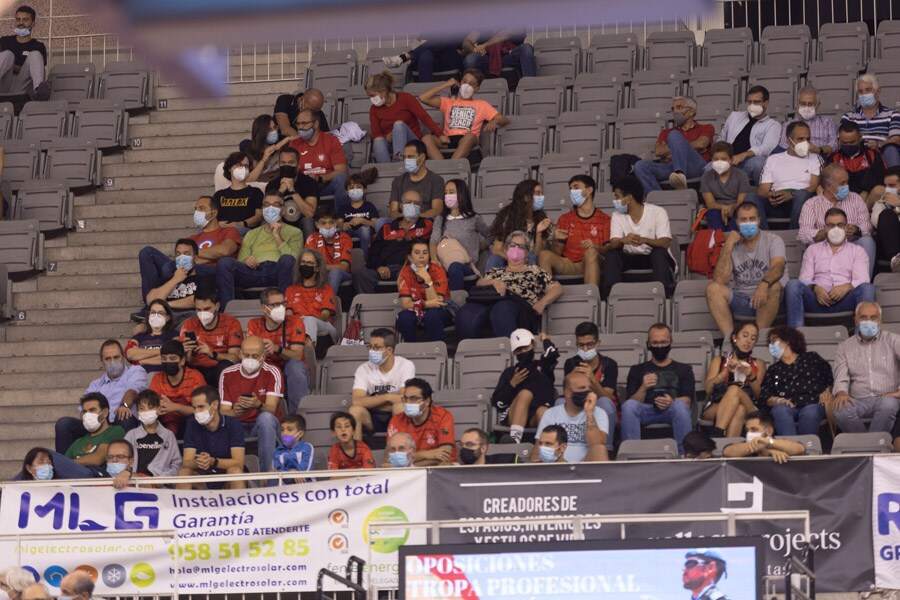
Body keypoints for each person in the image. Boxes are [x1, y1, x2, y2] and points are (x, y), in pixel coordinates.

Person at [137, 195, 240, 308]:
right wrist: (210, 256)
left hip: (214, 272)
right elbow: (183, 260)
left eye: (201, 208)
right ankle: (149, 308)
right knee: (149, 254)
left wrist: (193, 254)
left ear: (214, 213)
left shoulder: (228, 231)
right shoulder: (191, 239)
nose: (197, 212)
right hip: (190, 272)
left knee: (222, 262)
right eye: (196, 209)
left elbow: (225, 250)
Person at [457, 230, 562, 339]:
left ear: (526, 253)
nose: (516, 249)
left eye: (521, 247)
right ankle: (472, 353)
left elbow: (556, 288)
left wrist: (542, 303)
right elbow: (480, 282)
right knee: (466, 313)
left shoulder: (535, 271)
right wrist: (494, 281)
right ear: (506, 249)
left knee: (502, 309)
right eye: (512, 245)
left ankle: (510, 351)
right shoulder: (496, 271)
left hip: (518, 307)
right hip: (488, 301)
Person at [706, 203, 787, 337]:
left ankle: (757, 340)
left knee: (775, 286)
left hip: (769, 299)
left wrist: (763, 284)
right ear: (737, 222)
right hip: (743, 299)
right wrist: (728, 245)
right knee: (712, 289)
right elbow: (720, 280)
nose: (748, 223)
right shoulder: (732, 244)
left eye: (752, 219)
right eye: (743, 220)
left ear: (759, 220)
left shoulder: (773, 240)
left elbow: (778, 267)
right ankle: (732, 342)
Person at [786, 207, 875, 327]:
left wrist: (846, 287)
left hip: (845, 301)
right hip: (817, 301)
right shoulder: (812, 249)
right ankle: (794, 337)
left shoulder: (857, 251)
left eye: (840, 225)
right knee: (793, 285)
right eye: (831, 225)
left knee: (867, 289)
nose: (836, 229)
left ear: (846, 227)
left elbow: (863, 279)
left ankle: (862, 341)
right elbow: (804, 278)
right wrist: (815, 288)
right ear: (825, 228)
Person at [54, 340, 146, 454]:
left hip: (122, 422)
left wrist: (124, 405)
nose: (113, 361)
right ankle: (63, 466)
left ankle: (123, 462)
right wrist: (89, 419)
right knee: (63, 424)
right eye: (108, 359)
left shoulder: (135, 371)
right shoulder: (95, 384)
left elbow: (132, 390)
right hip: (100, 424)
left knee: (124, 417)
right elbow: (82, 410)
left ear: (123, 357)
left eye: (116, 357)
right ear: (102, 361)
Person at [216, 192, 300, 308]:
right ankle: (227, 310)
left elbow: (294, 261)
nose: (270, 208)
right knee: (224, 262)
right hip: (254, 271)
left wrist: (276, 235)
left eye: (275, 205)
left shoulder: (295, 232)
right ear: (262, 209)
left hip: (277, 271)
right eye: (266, 205)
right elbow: (241, 260)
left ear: (283, 210)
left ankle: (285, 308)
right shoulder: (251, 233)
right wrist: (246, 260)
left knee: (287, 259)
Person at [621, 323, 695, 452]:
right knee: (628, 406)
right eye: (655, 343)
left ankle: (684, 454)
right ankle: (631, 452)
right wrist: (643, 387)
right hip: (646, 410)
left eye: (663, 342)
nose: (659, 346)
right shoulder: (637, 370)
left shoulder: (684, 369)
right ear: (648, 344)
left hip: (671, 409)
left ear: (671, 342)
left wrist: (672, 401)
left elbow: (688, 400)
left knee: (680, 406)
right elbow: (631, 402)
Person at [601, 176, 676, 298]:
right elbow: (614, 243)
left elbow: (665, 243)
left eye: (617, 196)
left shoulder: (658, 212)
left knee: (659, 253)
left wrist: (645, 240)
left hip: (652, 258)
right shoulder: (616, 215)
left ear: (629, 197)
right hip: (630, 258)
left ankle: (664, 297)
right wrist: (622, 240)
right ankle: (609, 298)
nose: (615, 200)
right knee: (612, 254)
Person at [832, 301, 900, 434]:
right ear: (856, 320)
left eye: (873, 317)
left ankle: (868, 446)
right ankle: (870, 444)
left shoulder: (894, 340)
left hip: (886, 397)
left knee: (889, 405)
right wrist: (841, 393)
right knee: (840, 409)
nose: (869, 321)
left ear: (881, 320)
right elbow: (841, 376)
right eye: (863, 317)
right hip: (858, 400)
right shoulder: (844, 347)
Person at [798, 163, 876, 279]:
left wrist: (856, 229)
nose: (847, 186)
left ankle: (862, 285)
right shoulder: (812, 204)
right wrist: (826, 232)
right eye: (842, 183)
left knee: (868, 241)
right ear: (828, 186)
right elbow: (803, 234)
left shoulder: (855, 198)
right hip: (825, 249)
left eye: (847, 182)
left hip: (851, 247)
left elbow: (867, 226)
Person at [218, 336, 282, 472]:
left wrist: (257, 405)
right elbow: (223, 411)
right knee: (222, 422)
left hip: (261, 426)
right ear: (240, 354)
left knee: (266, 418)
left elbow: (271, 409)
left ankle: (267, 476)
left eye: (255, 356)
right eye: (246, 355)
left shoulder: (272, 372)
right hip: (237, 426)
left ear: (263, 356)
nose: (250, 359)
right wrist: (235, 412)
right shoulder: (227, 374)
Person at [354, 189, 434, 294]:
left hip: (412, 268)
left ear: (421, 207)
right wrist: (379, 266)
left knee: (408, 273)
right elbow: (373, 252)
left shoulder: (429, 225)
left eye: (416, 203)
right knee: (360, 273)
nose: (412, 205)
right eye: (408, 202)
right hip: (386, 269)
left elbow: (434, 246)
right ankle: (367, 307)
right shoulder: (387, 228)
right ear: (401, 206)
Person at [419, 69, 510, 160]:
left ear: (476, 90)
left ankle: (452, 166)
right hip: (448, 139)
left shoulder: (482, 104)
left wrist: (495, 120)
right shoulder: (449, 102)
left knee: (469, 136)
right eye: (464, 81)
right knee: (426, 138)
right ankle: (442, 167)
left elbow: (505, 120)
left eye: (471, 84)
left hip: (468, 139)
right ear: (460, 83)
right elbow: (423, 97)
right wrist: (446, 84)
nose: (466, 86)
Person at [745, 121, 821, 229]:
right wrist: (771, 196)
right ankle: (764, 238)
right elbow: (763, 190)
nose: (805, 143)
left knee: (802, 195)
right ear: (788, 140)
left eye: (808, 139)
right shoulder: (773, 159)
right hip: (776, 203)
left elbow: (813, 186)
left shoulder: (815, 158)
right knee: (750, 197)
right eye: (800, 139)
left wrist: (791, 195)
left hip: (801, 203)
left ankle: (794, 239)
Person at [759, 325, 833, 435]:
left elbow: (830, 380)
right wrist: (777, 400)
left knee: (811, 412)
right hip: (786, 406)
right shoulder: (773, 369)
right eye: (769, 343)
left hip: (812, 403)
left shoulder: (812, 358)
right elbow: (765, 396)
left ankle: (806, 448)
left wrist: (827, 391)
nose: (771, 346)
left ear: (788, 341)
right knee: (779, 410)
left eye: (774, 341)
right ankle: (792, 447)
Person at [538, 174, 611, 285]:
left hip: (591, 262)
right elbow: (556, 253)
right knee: (544, 255)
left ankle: (590, 296)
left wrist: (595, 247)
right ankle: (549, 294)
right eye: (570, 189)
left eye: (576, 188)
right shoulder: (565, 218)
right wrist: (556, 241)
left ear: (589, 190)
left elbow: (608, 250)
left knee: (590, 253)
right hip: (568, 263)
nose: (572, 191)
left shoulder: (605, 219)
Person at [246, 287, 309, 413]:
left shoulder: (295, 322)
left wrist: (276, 349)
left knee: (295, 366)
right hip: (266, 369)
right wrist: (261, 349)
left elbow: (297, 355)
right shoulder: (254, 324)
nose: (281, 308)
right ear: (265, 308)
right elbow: (250, 355)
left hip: (289, 370)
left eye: (283, 304)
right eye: (275, 305)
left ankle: (297, 418)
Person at [633, 96, 714, 192]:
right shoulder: (666, 132)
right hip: (671, 169)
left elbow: (701, 144)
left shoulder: (706, 127)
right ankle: (659, 202)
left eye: (679, 107)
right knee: (640, 166)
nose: (675, 111)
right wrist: (679, 149)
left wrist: (675, 150)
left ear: (691, 112)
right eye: (673, 109)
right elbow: (658, 152)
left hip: (695, 167)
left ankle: (680, 174)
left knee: (674, 135)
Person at [492, 329, 559, 444]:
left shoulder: (544, 366)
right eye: (518, 350)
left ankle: (545, 446)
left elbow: (552, 354)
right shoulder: (510, 372)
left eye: (525, 347)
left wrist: (546, 340)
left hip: (536, 415)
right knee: (525, 394)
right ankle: (515, 441)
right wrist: (512, 385)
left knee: (543, 411)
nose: (523, 352)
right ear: (514, 352)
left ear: (534, 344)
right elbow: (498, 402)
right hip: (514, 416)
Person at [349, 328, 416, 440]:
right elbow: (357, 401)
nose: (371, 350)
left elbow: (405, 399)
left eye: (376, 347)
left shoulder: (406, 365)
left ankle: (400, 451)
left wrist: (373, 401)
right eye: (370, 347)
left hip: (394, 414)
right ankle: (358, 454)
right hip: (372, 417)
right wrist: (388, 397)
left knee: (399, 407)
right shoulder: (363, 369)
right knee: (354, 410)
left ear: (389, 350)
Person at [702, 322, 765, 438]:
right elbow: (708, 389)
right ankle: (727, 447)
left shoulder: (758, 363)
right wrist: (724, 372)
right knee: (738, 409)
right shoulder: (719, 360)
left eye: (753, 338)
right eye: (745, 336)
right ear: (735, 337)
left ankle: (717, 434)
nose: (748, 341)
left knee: (734, 389)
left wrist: (751, 377)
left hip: (750, 406)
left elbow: (758, 396)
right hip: (717, 404)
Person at [177, 386, 246, 490]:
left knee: (235, 471)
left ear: (214, 404)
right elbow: (187, 462)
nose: (197, 412)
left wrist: (213, 462)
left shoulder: (234, 424)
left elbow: (239, 463)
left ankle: (240, 507)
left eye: (201, 407)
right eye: (194, 408)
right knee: (184, 473)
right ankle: (182, 506)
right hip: (201, 479)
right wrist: (199, 462)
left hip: (226, 479)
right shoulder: (192, 423)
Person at [366, 70, 443, 163]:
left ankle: (399, 161)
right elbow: (376, 134)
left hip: (413, 142)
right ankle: (387, 172)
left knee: (398, 125)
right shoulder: (374, 109)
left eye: (372, 95)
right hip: (391, 144)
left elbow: (424, 117)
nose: (371, 99)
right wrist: (387, 137)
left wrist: (440, 134)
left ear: (383, 92)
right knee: (378, 141)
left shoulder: (405, 98)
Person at [534, 372, 610, 462]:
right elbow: (538, 449)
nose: (588, 392)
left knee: (599, 449)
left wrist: (589, 413)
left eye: (589, 388)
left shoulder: (599, 413)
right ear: (568, 393)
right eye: (582, 388)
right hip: (557, 464)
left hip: (586, 466)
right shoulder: (550, 413)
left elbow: (597, 444)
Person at [562, 321, 619, 439]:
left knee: (606, 403)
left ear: (598, 344)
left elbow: (607, 398)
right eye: (581, 345)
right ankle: (569, 444)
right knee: (559, 403)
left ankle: (606, 448)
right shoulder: (570, 363)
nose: (585, 349)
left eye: (590, 344)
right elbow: (568, 395)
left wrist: (592, 379)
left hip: (600, 406)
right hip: (578, 404)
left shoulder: (609, 364)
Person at [431, 178, 490, 290]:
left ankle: (454, 301)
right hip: (444, 264)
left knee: (455, 266)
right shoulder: (440, 219)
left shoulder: (474, 218)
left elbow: (490, 236)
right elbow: (433, 241)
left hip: (467, 266)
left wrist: (480, 246)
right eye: (445, 193)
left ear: (461, 195)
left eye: (451, 192)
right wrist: (434, 259)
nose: (448, 196)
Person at [288, 108, 350, 211]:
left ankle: (342, 219)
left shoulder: (331, 141)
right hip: (303, 188)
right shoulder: (294, 143)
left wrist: (319, 178)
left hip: (325, 185)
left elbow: (341, 170)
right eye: (298, 124)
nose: (300, 128)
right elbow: (289, 170)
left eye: (304, 123)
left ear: (315, 124)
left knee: (341, 178)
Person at [717, 85, 782, 183]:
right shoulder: (734, 116)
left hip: (748, 162)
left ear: (766, 103)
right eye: (749, 102)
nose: (752, 105)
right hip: (728, 159)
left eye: (756, 102)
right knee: (707, 169)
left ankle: (762, 195)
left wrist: (744, 155)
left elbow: (768, 147)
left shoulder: (773, 125)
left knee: (759, 163)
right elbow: (721, 138)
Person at [386, 378, 456, 466]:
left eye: (414, 398)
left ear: (427, 401)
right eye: (406, 398)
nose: (408, 403)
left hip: (436, 468)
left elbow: (445, 455)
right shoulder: (396, 420)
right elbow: (389, 459)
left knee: (445, 464)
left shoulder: (443, 416)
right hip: (411, 469)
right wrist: (428, 454)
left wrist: (410, 464)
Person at [180, 287, 243, 385]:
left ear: (217, 306)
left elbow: (235, 358)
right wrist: (187, 351)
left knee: (225, 366)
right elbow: (188, 361)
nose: (202, 313)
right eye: (198, 309)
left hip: (218, 368)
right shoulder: (189, 324)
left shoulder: (231, 323)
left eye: (206, 309)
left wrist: (212, 354)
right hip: (197, 369)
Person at [145, 239, 216, 322]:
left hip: (189, 317)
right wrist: (175, 279)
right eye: (178, 254)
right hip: (165, 317)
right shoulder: (165, 281)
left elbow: (199, 301)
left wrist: (166, 304)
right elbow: (150, 300)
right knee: (139, 328)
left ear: (195, 258)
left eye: (186, 254)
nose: (182, 257)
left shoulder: (204, 279)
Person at [396, 239, 454, 342]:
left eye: (425, 253)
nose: (422, 256)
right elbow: (406, 304)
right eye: (417, 253)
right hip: (419, 309)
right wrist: (426, 304)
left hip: (442, 310)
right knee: (404, 316)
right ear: (410, 257)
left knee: (431, 315)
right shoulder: (405, 272)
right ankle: (411, 351)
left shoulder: (438, 270)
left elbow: (437, 302)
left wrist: (427, 279)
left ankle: (436, 351)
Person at [487, 178, 551, 269]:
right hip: (508, 259)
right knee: (495, 259)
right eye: (537, 193)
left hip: (529, 260)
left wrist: (539, 233)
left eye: (542, 193)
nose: (541, 196)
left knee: (531, 256)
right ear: (526, 197)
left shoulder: (542, 219)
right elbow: (496, 249)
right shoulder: (507, 216)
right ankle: (489, 282)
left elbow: (537, 254)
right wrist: (514, 259)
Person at [148, 339, 207, 436]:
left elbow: (202, 411)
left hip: (188, 423)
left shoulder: (195, 377)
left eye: (172, 359)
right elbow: (151, 406)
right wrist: (157, 408)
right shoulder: (157, 379)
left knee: (194, 420)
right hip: (165, 423)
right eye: (164, 359)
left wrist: (175, 407)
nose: (167, 362)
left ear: (182, 361)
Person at [840, 74, 900, 167]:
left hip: (882, 152)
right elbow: (842, 140)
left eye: (868, 90)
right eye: (860, 91)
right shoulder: (848, 116)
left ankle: (895, 180)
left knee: (891, 149)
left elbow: (896, 139)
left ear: (878, 92)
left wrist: (878, 144)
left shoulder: (892, 114)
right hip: (856, 153)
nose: (864, 94)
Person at [123, 389, 182, 479]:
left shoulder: (169, 436)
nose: (146, 412)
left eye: (150, 408)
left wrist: (161, 479)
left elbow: (176, 465)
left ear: (158, 409)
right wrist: (130, 475)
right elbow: (122, 460)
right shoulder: (131, 435)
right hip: (134, 483)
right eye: (142, 409)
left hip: (161, 486)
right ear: (137, 412)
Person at [826, 121, 886, 207]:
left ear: (860, 138)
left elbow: (883, 179)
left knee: (880, 190)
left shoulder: (873, 154)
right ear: (839, 140)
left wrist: (866, 192)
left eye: (852, 142)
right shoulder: (833, 157)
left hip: (866, 200)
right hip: (840, 200)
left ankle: (862, 214)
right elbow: (825, 183)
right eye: (844, 143)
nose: (848, 145)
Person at [65, 392, 126, 476]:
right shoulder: (78, 442)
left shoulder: (115, 431)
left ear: (104, 413)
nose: (87, 415)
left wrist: (71, 464)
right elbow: (62, 465)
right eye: (85, 412)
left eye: (92, 410)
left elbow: (97, 459)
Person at [286, 248, 338, 343]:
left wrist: (305, 319)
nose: (306, 265)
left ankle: (306, 353)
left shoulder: (327, 289)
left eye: (310, 263)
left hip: (325, 329)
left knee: (309, 320)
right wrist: (301, 322)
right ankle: (308, 352)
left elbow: (325, 316)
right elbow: (289, 316)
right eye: (303, 262)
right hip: (297, 327)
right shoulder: (291, 290)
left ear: (317, 268)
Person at [266, 146, 320, 237]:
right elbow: (269, 214)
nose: (287, 166)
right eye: (283, 163)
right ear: (279, 164)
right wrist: (280, 193)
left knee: (308, 221)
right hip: (281, 225)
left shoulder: (309, 183)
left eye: (291, 163)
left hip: (302, 225)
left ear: (298, 165)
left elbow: (310, 213)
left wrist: (292, 190)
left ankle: (310, 251)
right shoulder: (272, 185)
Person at [700, 141, 754, 231]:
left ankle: (731, 239)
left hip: (736, 208)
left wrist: (732, 208)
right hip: (716, 209)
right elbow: (710, 203)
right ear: (711, 160)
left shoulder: (741, 175)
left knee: (742, 214)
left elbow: (741, 201)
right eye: (716, 159)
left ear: (731, 160)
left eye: (723, 159)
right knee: (712, 214)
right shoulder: (706, 176)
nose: (719, 162)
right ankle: (719, 241)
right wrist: (723, 208)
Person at [386, 140, 445, 221]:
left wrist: (415, 219)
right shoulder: (397, 181)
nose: (406, 160)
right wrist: (406, 220)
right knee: (381, 222)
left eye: (410, 157)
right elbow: (393, 212)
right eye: (405, 157)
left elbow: (437, 210)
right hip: (402, 222)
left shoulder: (436, 180)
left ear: (422, 157)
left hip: (426, 221)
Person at [0, 5, 48, 99]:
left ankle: (40, 93)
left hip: (23, 87)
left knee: (35, 54)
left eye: (25, 20)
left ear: (33, 23)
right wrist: (20, 66)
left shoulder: (38, 46)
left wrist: (10, 66)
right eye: (18, 19)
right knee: (8, 55)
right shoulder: (4, 41)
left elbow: (36, 70)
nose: (21, 23)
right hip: (3, 85)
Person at [723, 411, 807, 463]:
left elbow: (800, 449)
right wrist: (767, 451)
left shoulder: (780, 445)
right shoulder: (745, 445)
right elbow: (727, 452)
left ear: (769, 431)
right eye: (747, 430)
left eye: (754, 429)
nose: (749, 433)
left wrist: (769, 442)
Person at [779, 85, 838, 158]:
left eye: (810, 104)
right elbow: (783, 146)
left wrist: (818, 149)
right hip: (795, 159)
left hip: (820, 157)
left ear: (818, 104)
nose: (806, 107)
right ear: (797, 104)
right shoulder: (788, 124)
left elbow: (834, 144)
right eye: (803, 103)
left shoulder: (828, 122)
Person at [305, 204, 353, 293]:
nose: (328, 227)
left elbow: (344, 267)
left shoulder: (345, 238)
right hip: (319, 274)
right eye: (323, 223)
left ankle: (327, 303)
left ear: (336, 223)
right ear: (317, 224)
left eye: (331, 223)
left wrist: (322, 267)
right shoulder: (311, 239)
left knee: (335, 272)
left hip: (342, 274)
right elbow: (310, 267)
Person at [125, 299, 180, 373]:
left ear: (167, 318)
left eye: (160, 313)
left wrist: (142, 361)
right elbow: (130, 354)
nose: (156, 316)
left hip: (163, 375)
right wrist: (163, 351)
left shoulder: (174, 335)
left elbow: (172, 357)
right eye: (153, 312)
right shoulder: (139, 336)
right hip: (140, 375)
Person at [214, 152, 263, 233]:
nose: (243, 168)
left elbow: (259, 216)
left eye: (246, 166)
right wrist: (217, 224)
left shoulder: (255, 192)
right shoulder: (219, 195)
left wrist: (241, 223)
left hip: (244, 231)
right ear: (230, 168)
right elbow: (212, 216)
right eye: (239, 165)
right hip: (222, 231)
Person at [382, 36, 464, 83]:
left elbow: (465, 46)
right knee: (425, 54)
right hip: (430, 60)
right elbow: (422, 44)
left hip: (450, 60)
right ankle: (424, 90)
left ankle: (405, 57)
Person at [339, 172, 380, 260]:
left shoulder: (369, 206)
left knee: (364, 230)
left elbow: (376, 224)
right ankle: (343, 259)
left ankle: (366, 259)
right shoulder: (343, 208)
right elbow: (338, 222)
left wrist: (362, 221)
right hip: (349, 231)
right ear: (346, 192)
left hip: (364, 232)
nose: (355, 190)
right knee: (338, 231)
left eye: (359, 187)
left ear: (365, 190)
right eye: (351, 188)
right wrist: (343, 225)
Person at [461, 30, 535, 77]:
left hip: (508, 55)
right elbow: (467, 42)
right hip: (488, 57)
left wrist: (484, 45)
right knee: (470, 59)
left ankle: (529, 86)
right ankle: (475, 93)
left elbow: (506, 33)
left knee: (526, 48)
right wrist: (475, 50)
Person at [245, 114, 291, 183]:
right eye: (269, 130)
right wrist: (264, 158)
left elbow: (299, 137)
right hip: (258, 186)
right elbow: (249, 180)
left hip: (278, 184)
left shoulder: (282, 148)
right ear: (261, 133)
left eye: (275, 128)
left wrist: (287, 139)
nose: (274, 132)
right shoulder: (250, 153)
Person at [871, 166, 900, 269]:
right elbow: (876, 222)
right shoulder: (882, 202)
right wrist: (893, 209)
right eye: (886, 185)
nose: (888, 189)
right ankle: (897, 262)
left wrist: (898, 204)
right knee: (886, 214)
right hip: (891, 247)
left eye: (892, 185)